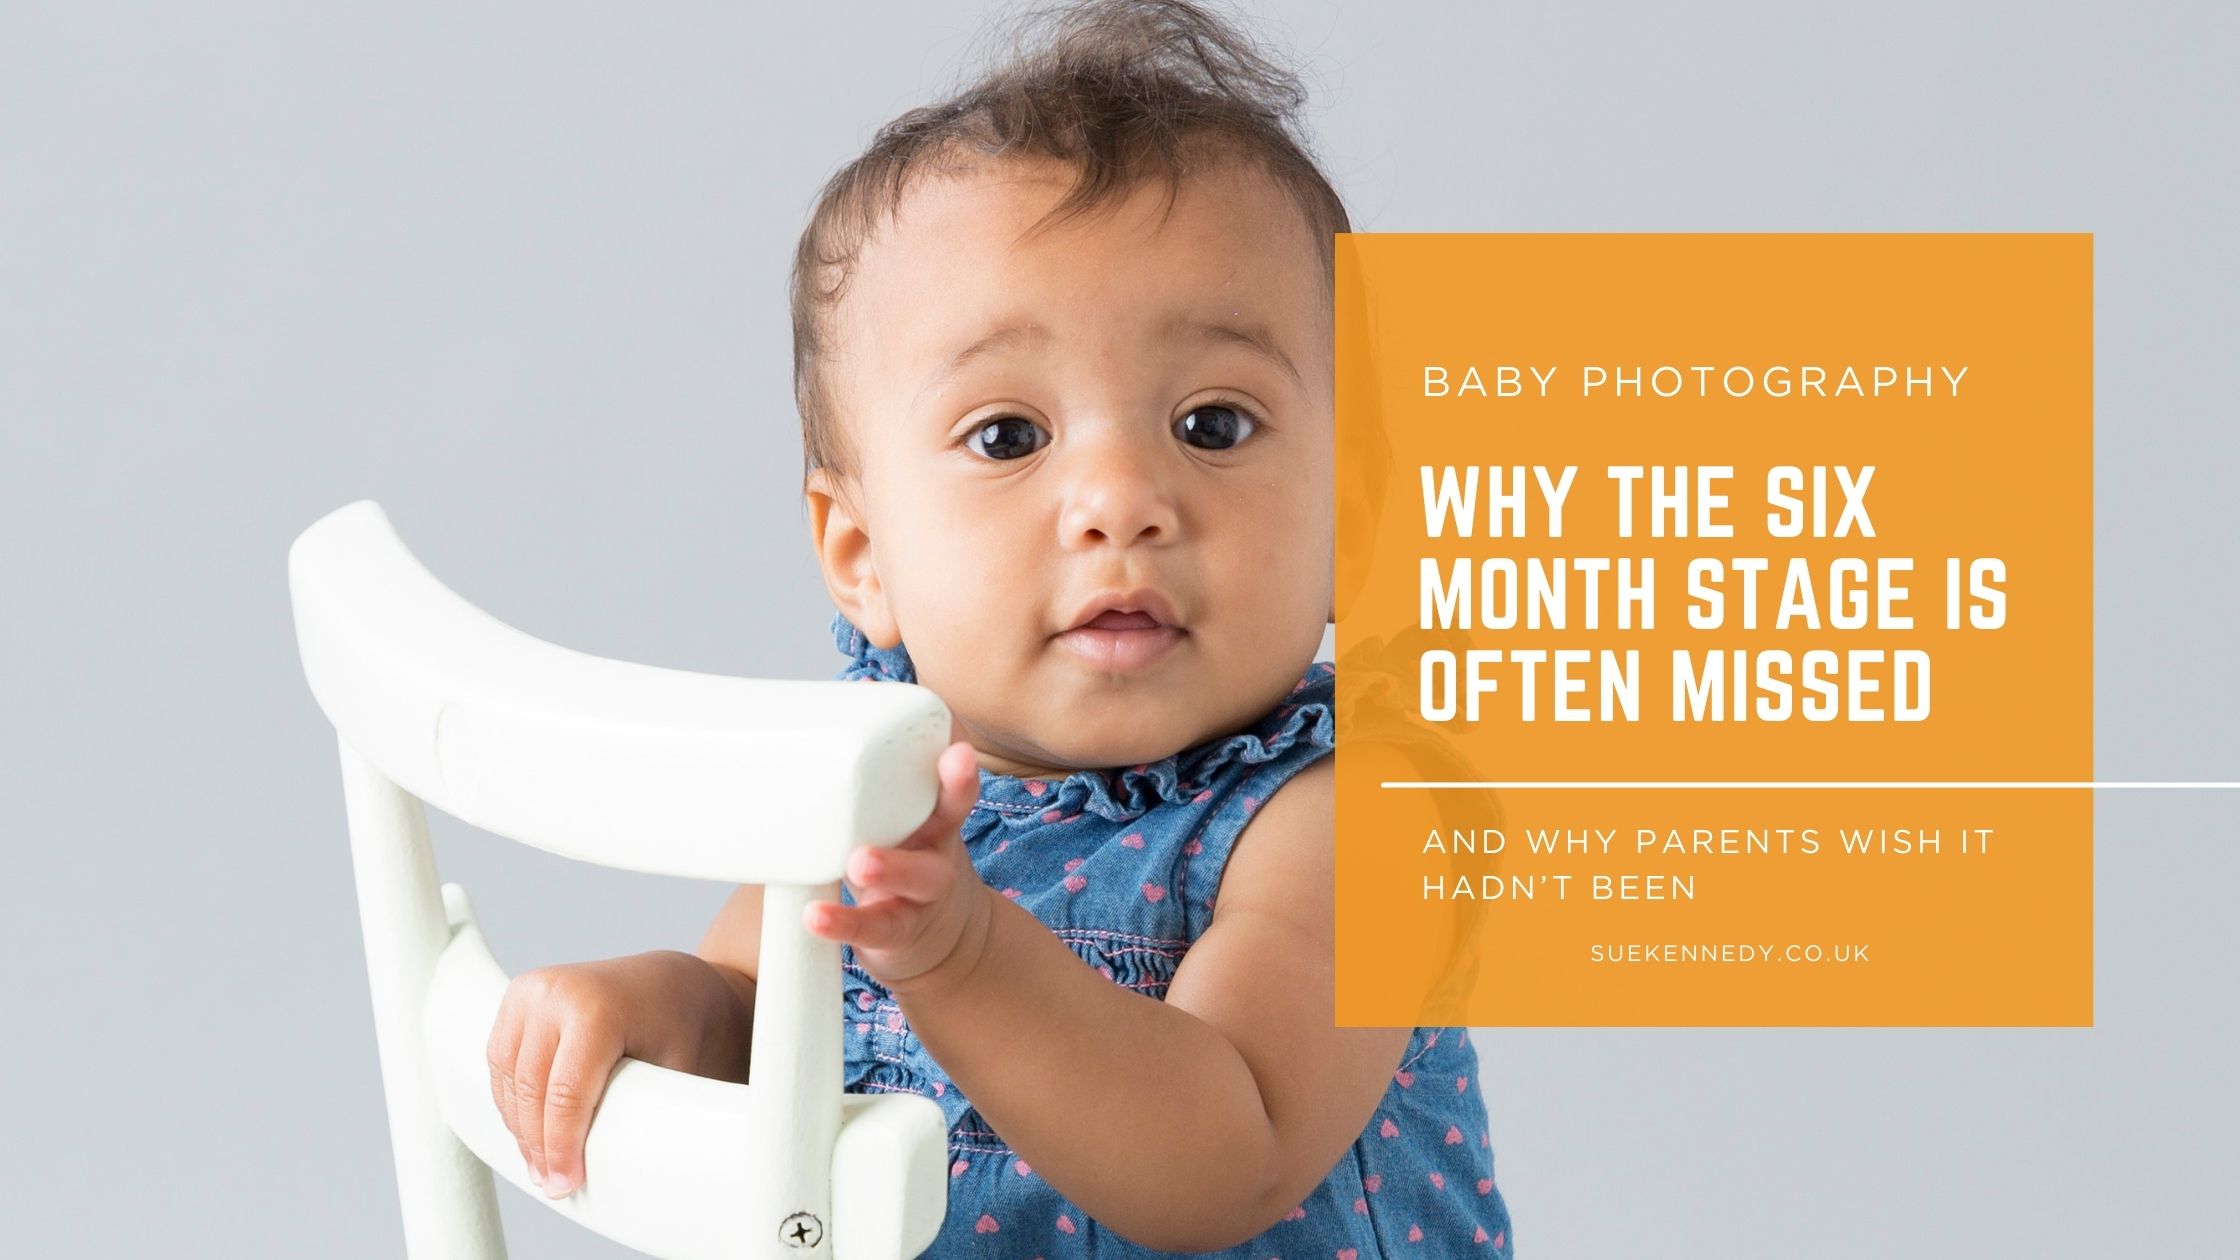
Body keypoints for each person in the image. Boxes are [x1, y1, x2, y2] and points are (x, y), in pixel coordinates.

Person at [484, 1, 1514, 1253]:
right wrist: (643, 1009)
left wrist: (962, 952)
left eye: (1212, 425)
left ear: (1351, 523)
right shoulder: (872, 796)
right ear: (862, 559)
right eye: (1009, 437)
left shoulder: (1352, 823)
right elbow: (762, 1016)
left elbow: (1225, 1157)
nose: (1120, 502)